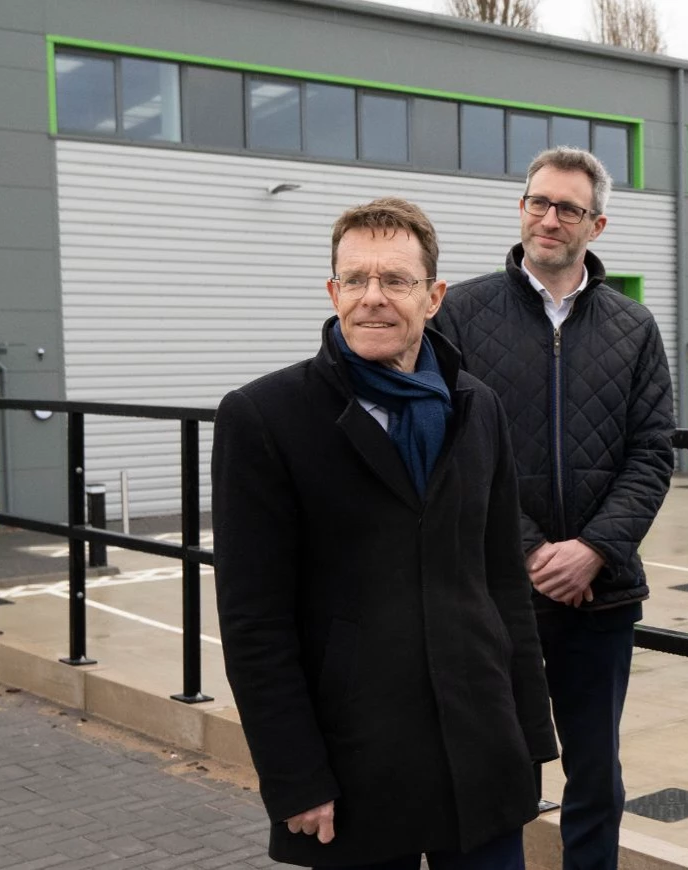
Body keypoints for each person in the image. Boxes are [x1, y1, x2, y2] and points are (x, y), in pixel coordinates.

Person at [212, 197, 556, 870]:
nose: (374, 297)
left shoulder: (475, 407)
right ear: (332, 291)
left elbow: (503, 582)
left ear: (434, 297)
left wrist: (529, 733)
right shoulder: (264, 417)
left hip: (480, 748)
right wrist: (294, 777)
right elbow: (255, 623)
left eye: (395, 280)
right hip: (354, 763)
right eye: (357, 280)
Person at [436, 147, 674, 870]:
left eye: (569, 208)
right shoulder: (461, 314)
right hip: (497, 590)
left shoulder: (633, 327)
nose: (550, 217)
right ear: (521, 210)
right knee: (499, 763)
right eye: (539, 201)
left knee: (596, 772)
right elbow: (452, 450)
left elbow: (653, 452)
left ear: (595, 225)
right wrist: (533, 552)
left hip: (600, 594)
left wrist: (594, 550)